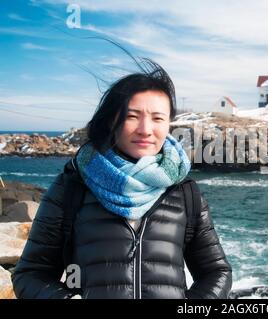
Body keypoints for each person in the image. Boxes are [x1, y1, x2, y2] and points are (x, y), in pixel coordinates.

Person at [12, 60, 232, 299]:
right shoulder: (73, 186)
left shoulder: (185, 192)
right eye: (132, 116)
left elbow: (216, 272)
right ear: (111, 121)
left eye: (158, 118)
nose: (145, 129)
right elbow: (30, 274)